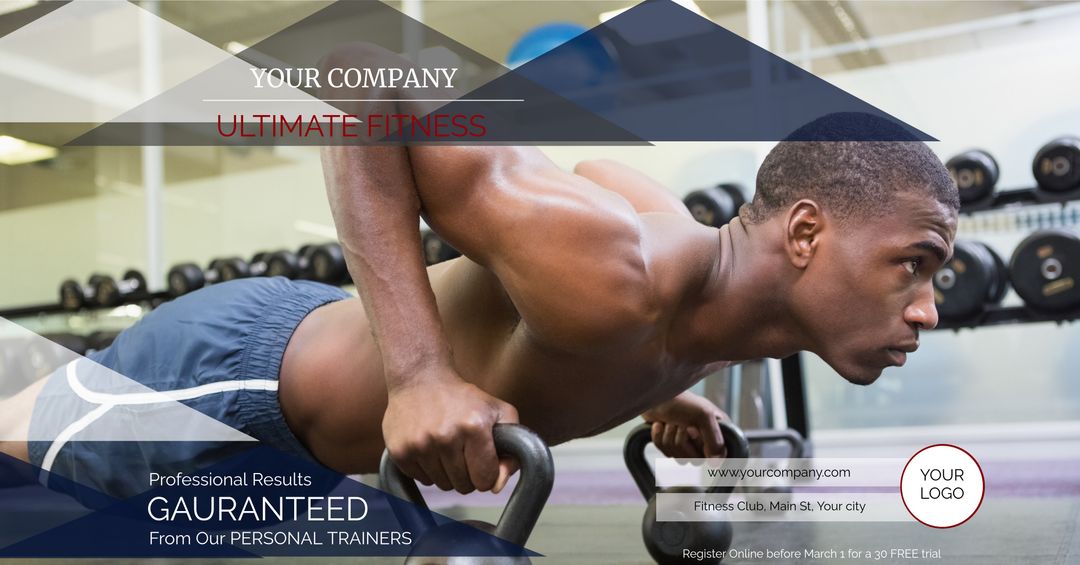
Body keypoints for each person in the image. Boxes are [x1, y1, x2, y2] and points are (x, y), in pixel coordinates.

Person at [0, 62, 958, 501]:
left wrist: (673, 390)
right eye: (912, 263)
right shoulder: (613, 272)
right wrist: (419, 372)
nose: (927, 307)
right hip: (237, 377)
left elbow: (604, 178)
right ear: (802, 233)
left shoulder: (693, 294)